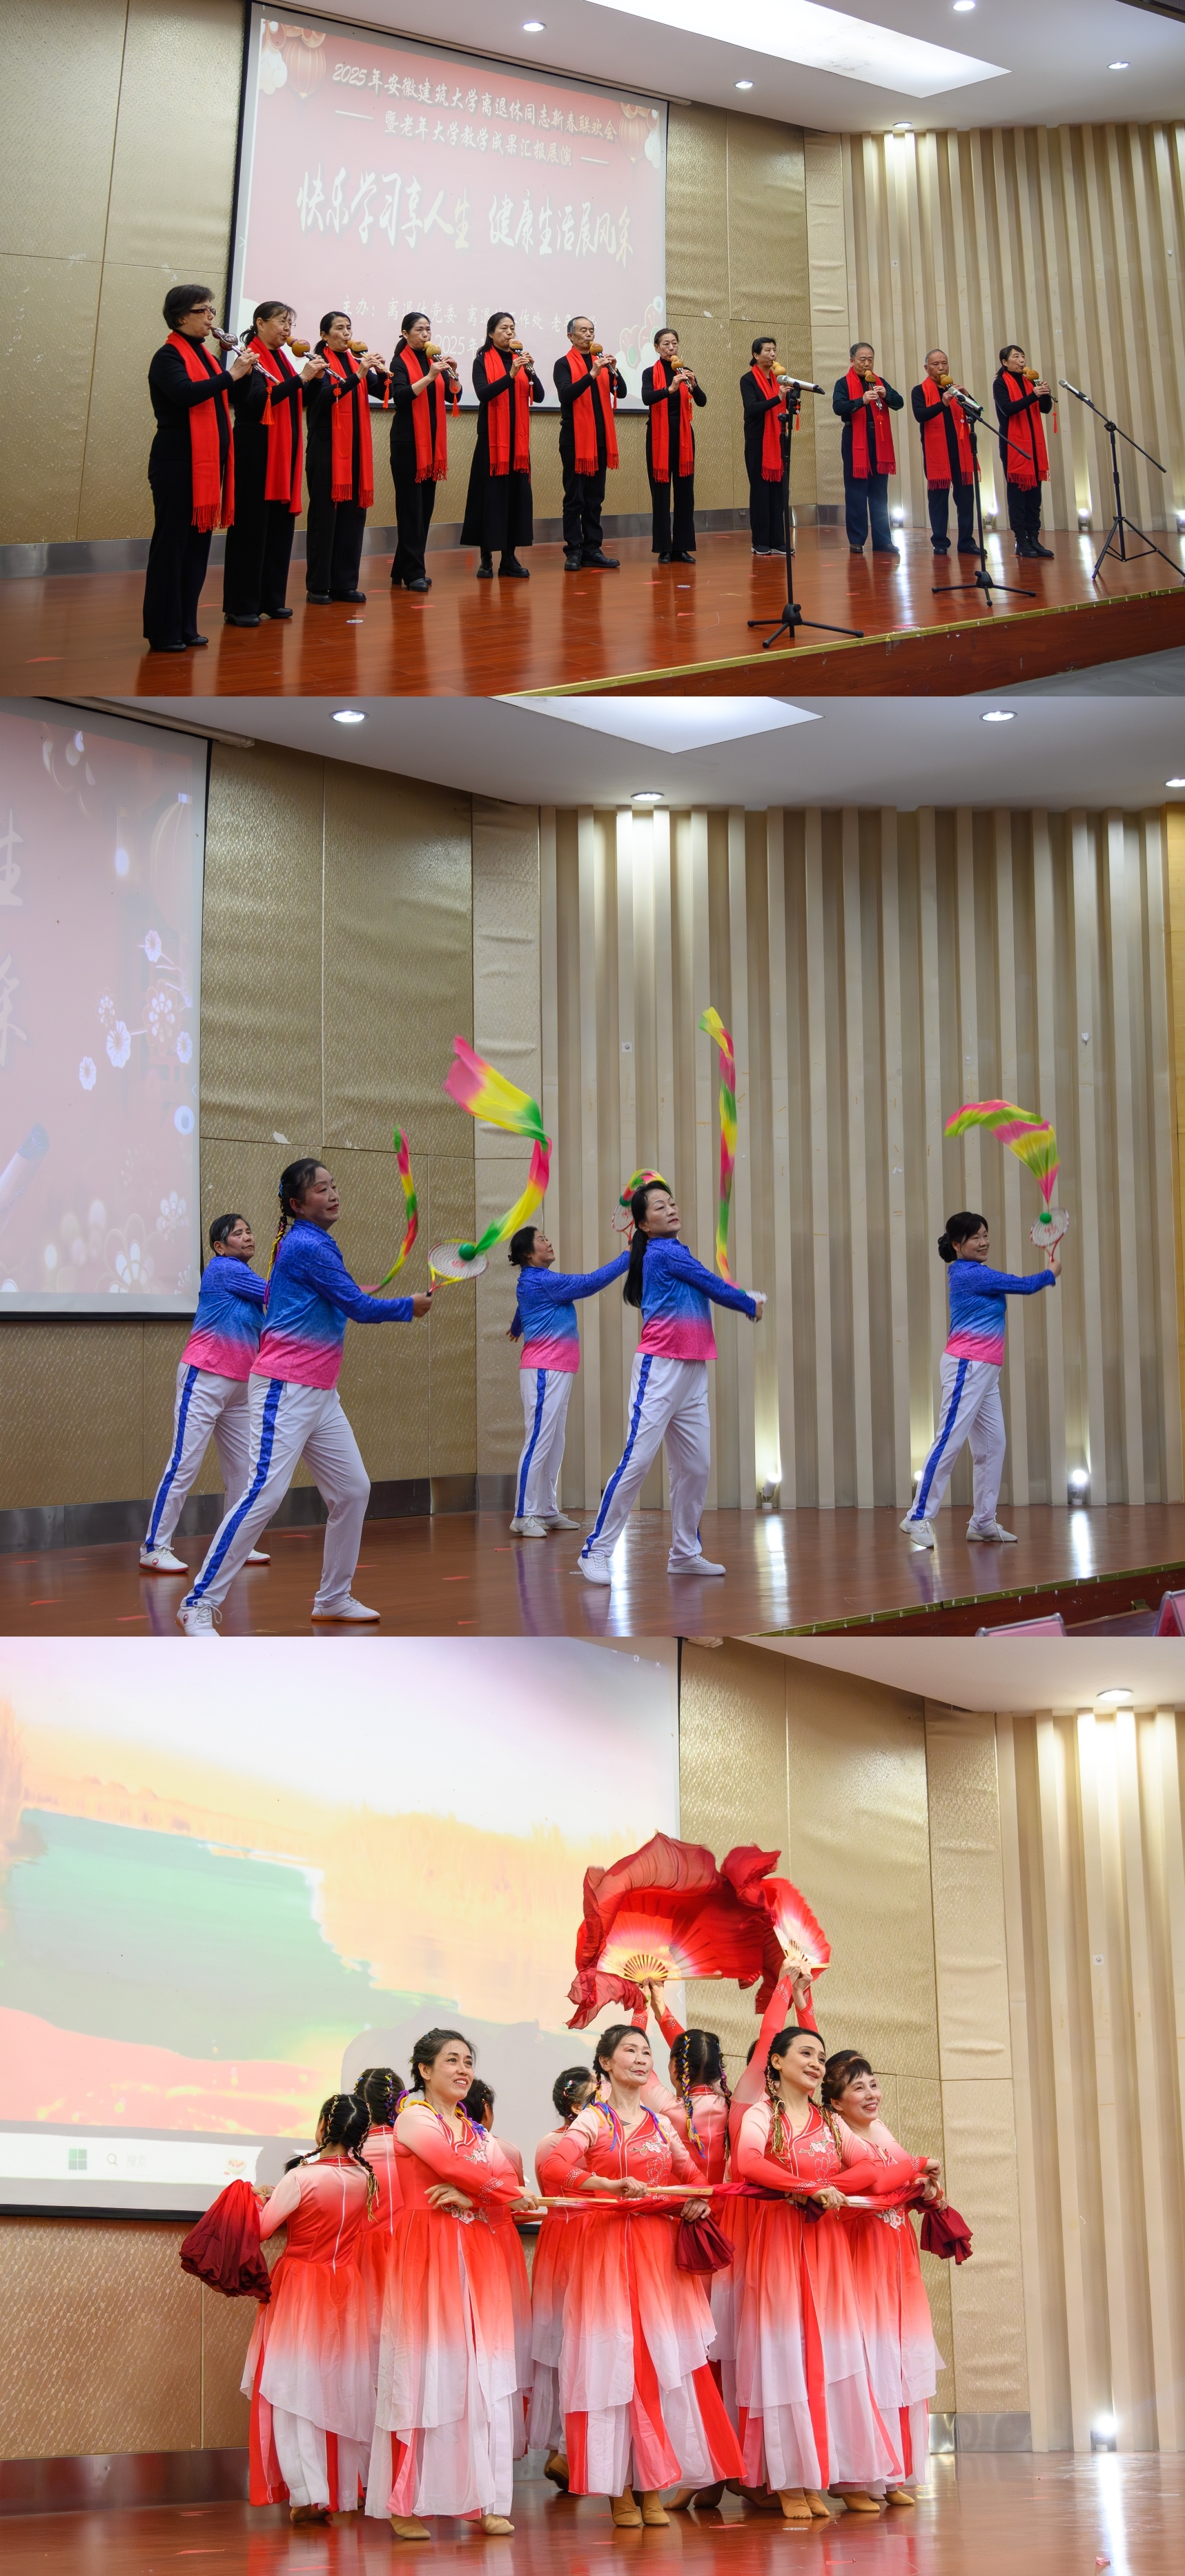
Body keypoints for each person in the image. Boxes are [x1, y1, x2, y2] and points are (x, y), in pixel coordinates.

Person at [176, 1158, 431, 1634]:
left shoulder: (313, 1243)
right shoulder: (306, 1245)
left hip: (320, 1392)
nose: (332, 1195)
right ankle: (198, 1603)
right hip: (285, 1387)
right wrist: (408, 1306)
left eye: (334, 1186)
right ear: (296, 1204)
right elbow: (358, 1307)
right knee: (263, 1494)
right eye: (320, 1189)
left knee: (352, 1491)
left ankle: (333, 1597)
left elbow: (341, 1300)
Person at [545, 2022, 743, 2525]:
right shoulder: (593, 2119)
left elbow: (693, 2179)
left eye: (645, 2051)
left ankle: (652, 2485)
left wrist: (694, 2203)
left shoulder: (660, 2124)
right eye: (628, 2050)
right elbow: (553, 2169)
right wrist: (607, 2184)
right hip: (607, 2252)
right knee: (616, 2363)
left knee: (656, 2365)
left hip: (658, 2256)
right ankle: (619, 2491)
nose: (639, 2058)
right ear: (605, 2063)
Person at [734, 2024, 930, 2521]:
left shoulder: (829, 2121)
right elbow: (747, 2161)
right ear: (776, 2062)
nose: (816, 2063)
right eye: (805, 2054)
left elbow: (870, 2170)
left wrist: (827, 2185)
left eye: (821, 2057)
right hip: (780, 2244)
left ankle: (820, 2472)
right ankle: (788, 2481)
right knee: (785, 2356)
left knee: (829, 2356)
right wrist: (803, 2188)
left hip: (826, 2244)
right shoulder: (762, 2114)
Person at [365, 2027, 540, 2539]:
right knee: (423, 2372)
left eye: (468, 2061)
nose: (463, 2070)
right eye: (451, 2061)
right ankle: (406, 2502)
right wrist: (502, 2192)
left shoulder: (476, 2131)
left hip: (478, 2252)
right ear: (424, 2070)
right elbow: (447, 2164)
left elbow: (489, 2180)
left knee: (480, 2374)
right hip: (429, 2252)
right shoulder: (413, 2117)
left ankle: (483, 2499)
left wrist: (479, 2197)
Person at [578, 1179, 764, 1585]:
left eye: (672, 1203)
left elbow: (704, 1285)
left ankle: (684, 1553)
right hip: (660, 1368)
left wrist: (741, 1296)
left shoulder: (675, 1251)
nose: (671, 1210)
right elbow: (710, 1284)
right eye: (660, 1207)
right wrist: (747, 1302)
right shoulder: (663, 1253)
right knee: (638, 1460)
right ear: (644, 1225)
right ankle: (596, 1550)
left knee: (695, 1466)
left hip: (693, 1368)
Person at [244, 2092, 377, 2526]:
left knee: (294, 2384)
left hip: (300, 2283)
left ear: (323, 2125)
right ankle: (341, 2489)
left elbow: (261, 2230)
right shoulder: (366, 2178)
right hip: (346, 2285)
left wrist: (257, 2199)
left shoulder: (302, 2177)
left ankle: (305, 2493)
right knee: (336, 2383)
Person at [821, 2051, 944, 2505]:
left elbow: (902, 2178)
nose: (871, 2094)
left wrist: (924, 2187)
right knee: (866, 2358)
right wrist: (916, 2167)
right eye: (858, 2087)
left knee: (899, 2355)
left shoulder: (880, 2130)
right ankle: (857, 2477)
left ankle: (891, 2471)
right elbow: (875, 2182)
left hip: (897, 2254)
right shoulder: (833, 2134)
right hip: (860, 2252)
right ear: (836, 2102)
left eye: (873, 2084)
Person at [901, 1209, 1061, 1550]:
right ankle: (917, 1516)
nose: (984, 1242)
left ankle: (983, 1522)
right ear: (957, 1245)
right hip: (967, 1366)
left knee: (993, 1445)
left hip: (987, 1371)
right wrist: (1050, 1273)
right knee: (950, 1440)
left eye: (986, 1235)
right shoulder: (969, 1274)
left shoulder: (976, 1272)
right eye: (975, 1237)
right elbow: (1023, 1285)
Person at [141, 1211, 271, 1577]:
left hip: (241, 1387)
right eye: (238, 1233)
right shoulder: (223, 1269)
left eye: (249, 1231)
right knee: (184, 1463)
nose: (247, 1237)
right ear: (219, 1246)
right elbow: (274, 1293)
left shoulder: (246, 1285)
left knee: (243, 1471)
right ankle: (154, 1547)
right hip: (205, 1377)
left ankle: (236, 1545)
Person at [144, 283, 255, 653]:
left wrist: (246, 373)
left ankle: (186, 626)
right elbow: (186, 395)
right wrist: (231, 374)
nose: (211, 318)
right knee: (172, 548)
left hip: (204, 466)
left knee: (195, 550)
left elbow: (231, 397)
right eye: (203, 311)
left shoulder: (205, 355)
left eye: (211, 310)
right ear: (180, 317)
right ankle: (164, 631)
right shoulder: (167, 357)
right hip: (177, 464)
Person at [506, 1226, 627, 1539]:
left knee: (554, 1441)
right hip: (544, 1370)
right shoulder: (544, 1281)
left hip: (559, 1369)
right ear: (528, 1254)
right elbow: (589, 1283)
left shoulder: (534, 1281)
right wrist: (627, 1258)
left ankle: (546, 1509)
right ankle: (523, 1515)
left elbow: (524, 1304)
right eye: (542, 1240)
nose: (549, 1243)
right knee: (538, 1441)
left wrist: (517, 1325)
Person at [222, 302, 324, 625]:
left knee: (278, 528)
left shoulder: (282, 358)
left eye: (290, 324)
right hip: (256, 450)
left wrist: (314, 380)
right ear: (260, 323)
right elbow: (255, 401)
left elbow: (297, 400)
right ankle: (241, 605)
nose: (287, 330)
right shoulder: (249, 357)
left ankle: (271, 599)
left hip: (284, 452)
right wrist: (301, 379)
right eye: (281, 322)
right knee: (251, 529)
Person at [529, 2069, 596, 2490]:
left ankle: (567, 2451)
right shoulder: (557, 2145)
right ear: (575, 2106)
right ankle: (567, 2449)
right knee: (572, 2343)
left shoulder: (558, 2142)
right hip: (576, 2242)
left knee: (578, 2343)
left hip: (574, 2240)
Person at [304, 311, 380, 605]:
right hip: (327, 449)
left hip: (356, 447)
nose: (347, 333)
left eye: (349, 327)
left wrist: (380, 371)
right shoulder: (318, 363)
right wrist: (358, 375)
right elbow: (324, 397)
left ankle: (345, 583)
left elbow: (379, 390)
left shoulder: (353, 360)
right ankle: (319, 585)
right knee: (325, 517)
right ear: (324, 335)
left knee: (353, 516)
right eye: (339, 328)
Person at [462, 313, 545, 580]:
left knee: (515, 498)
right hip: (492, 441)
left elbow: (539, 396)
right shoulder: (482, 360)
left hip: (517, 443)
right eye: (504, 328)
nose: (510, 333)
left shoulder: (520, 360)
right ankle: (486, 557)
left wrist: (531, 370)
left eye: (512, 328)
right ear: (491, 333)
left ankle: (509, 558)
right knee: (490, 498)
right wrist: (511, 374)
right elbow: (483, 394)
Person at [386, 312, 454, 594]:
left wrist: (452, 374)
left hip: (432, 446)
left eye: (428, 329)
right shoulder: (399, 362)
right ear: (405, 334)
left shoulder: (433, 360)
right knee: (411, 510)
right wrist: (429, 377)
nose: (426, 334)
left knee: (424, 509)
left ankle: (401, 568)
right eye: (419, 330)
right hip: (408, 444)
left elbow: (452, 395)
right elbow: (400, 397)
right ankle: (415, 571)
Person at [554, 315, 625, 571]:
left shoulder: (602, 362)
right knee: (575, 498)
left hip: (601, 439)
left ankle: (592, 549)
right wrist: (592, 374)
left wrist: (614, 370)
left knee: (595, 498)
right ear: (571, 336)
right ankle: (574, 551)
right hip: (575, 440)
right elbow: (566, 395)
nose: (588, 335)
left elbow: (621, 392)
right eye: (583, 331)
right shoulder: (563, 364)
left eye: (591, 331)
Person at [351, 2068, 406, 2382]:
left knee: (364, 2339)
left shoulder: (352, 2153)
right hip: (412, 2251)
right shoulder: (417, 2147)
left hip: (361, 2256)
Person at [833, 342, 904, 556]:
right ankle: (857, 540)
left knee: (879, 492)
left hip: (879, 440)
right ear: (852, 361)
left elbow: (899, 403)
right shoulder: (843, 383)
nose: (867, 364)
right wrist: (861, 400)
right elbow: (838, 407)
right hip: (854, 438)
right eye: (862, 359)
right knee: (856, 490)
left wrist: (886, 395)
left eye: (870, 359)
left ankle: (883, 541)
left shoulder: (879, 382)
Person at [643, 329, 706, 563]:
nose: (671, 348)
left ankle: (682, 547)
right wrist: (669, 389)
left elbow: (702, 401)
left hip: (683, 438)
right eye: (666, 344)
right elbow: (647, 398)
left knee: (685, 494)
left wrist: (693, 385)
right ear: (657, 348)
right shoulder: (650, 373)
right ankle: (664, 548)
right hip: (659, 438)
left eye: (674, 344)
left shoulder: (684, 371)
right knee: (661, 495)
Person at [910, 350, 978, 557]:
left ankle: (966, 541)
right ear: (927, 368)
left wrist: (966, 396)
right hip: (937, 455)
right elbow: (920, 415)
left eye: (945, 364)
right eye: (936, 364)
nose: (941, 368)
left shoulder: (955, 390)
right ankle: (940, 541)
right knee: (938, 500)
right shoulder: (919, 391)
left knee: (966, 499)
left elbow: (977, 413)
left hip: (961, 452)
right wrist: (943, 403)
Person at [993, 344, 1055, 558]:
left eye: (1023, 356)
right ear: (1005, 362)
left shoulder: (1030, 381)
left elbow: (1045, 409)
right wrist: (1033, 396)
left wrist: (1043, 393)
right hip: (1014, 445)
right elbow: (1007, 409)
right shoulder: (1000, 383)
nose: (1021, 361)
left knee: (1034, 496)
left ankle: (1034, 538)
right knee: (1018, 495)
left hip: (1034, 446)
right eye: (1016, 357)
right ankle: (1021, 540)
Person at [741, 338, 791, 556]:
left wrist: (791, 399)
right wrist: (777, 398)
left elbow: (784, 406)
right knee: (760, 490)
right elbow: (752, 408)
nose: (773, 354)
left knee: (778, 491)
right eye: (768, 350)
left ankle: (778, 540)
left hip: (778, 439)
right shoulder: (748, 379)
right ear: (756, 355)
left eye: (774, 350)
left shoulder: (779, 379)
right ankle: (760, 541)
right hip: (757, 440)